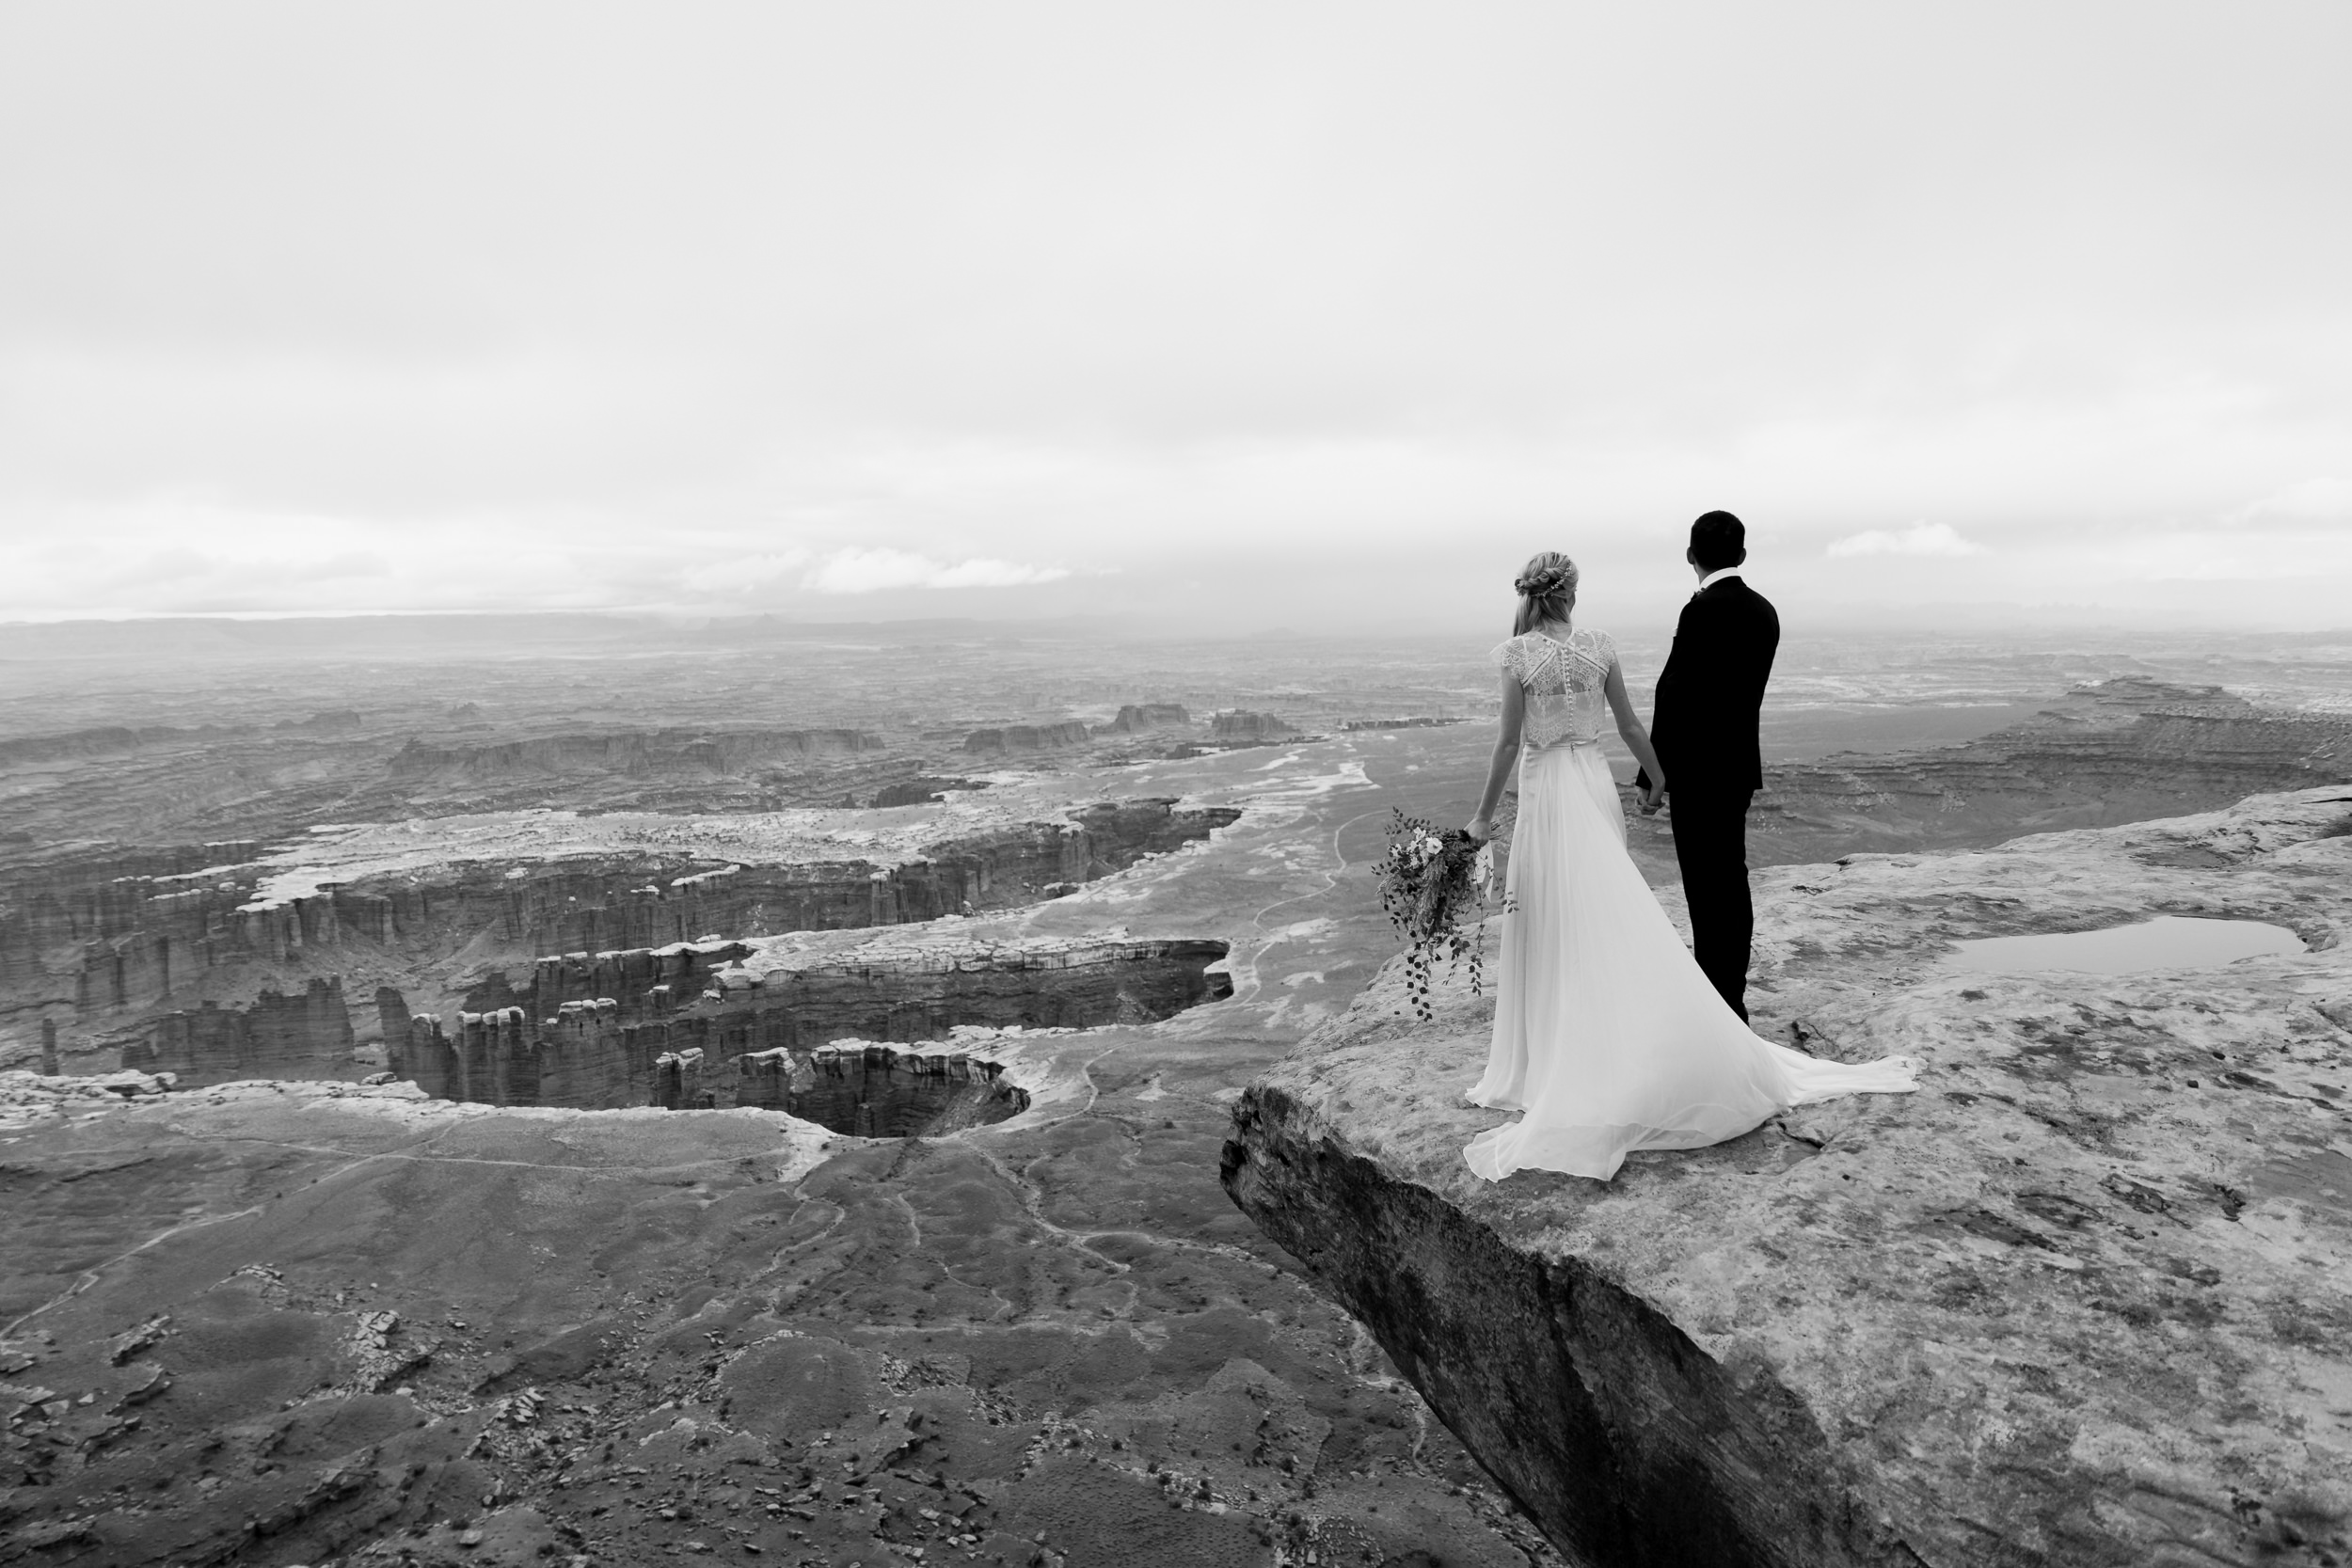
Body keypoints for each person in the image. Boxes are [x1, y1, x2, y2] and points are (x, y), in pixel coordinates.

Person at [1459, 548, 1914, 1182]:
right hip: (1590, 784)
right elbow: (1629, 726)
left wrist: (1481, 818)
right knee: (1601, 907)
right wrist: (1658, 779)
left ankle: (1542, 1064)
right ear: (1572, 592)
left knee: (1548, 912)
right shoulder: (1599, 646)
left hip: (1546, 792)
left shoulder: (1516, 655)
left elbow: (1508, 743)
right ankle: (1599, 1045)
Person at [1634, 510, 1775, 1020]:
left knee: (1704, 888)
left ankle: (1718, 1007)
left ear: (1691, 556)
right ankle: (1731, 995)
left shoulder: (1701, 610)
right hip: (1737, 770)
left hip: (1696, 775)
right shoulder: (1764, 611)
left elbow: (1674, 694)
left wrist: (1653, 773)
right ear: (1741, 555)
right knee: (1731, 884)